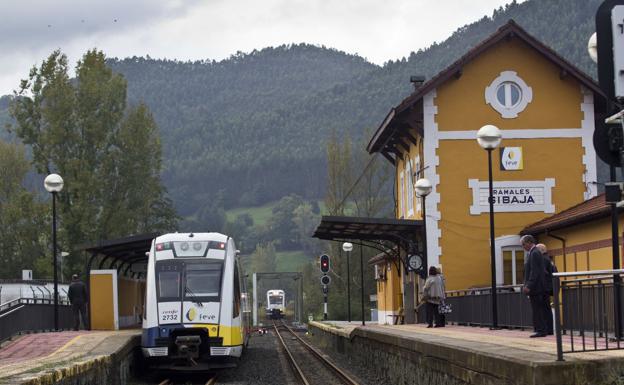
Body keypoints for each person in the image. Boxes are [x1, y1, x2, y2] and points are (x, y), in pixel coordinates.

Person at [521, 235, 549, 338]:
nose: (523, 247)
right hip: (537, 286)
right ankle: (540, 329)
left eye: (523, 244)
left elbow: (535, 271)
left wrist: (529, 285)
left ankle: (541, 330)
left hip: (536, 287)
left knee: (537, 309)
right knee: (537, 308)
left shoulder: (534, 253)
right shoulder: (534, 252)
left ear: (529, 242)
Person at [537, 243, 557, 335]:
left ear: (541, 251)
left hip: (544, 288)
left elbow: (543, 275)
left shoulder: (543, 260)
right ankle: (549, 329)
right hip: (549, 288)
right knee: (547, 308)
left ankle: (546, 329)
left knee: (544, 309)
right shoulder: (549, 259)